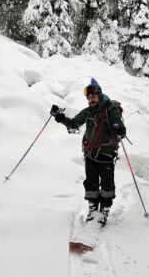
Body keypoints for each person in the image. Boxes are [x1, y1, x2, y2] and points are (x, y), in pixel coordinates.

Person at [50, 78, 126, 227]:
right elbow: (74, 124)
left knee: (107, 184)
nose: (91, 99)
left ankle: (104, 209)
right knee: (90, 182)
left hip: (106, 154)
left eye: (93, 96)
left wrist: (119, 129)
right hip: (90, 154)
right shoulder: (88, 112)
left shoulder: (110, 110)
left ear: (100, 95)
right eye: (89, 97)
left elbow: (118, 123)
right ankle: (93, 209)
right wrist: (60, 117)